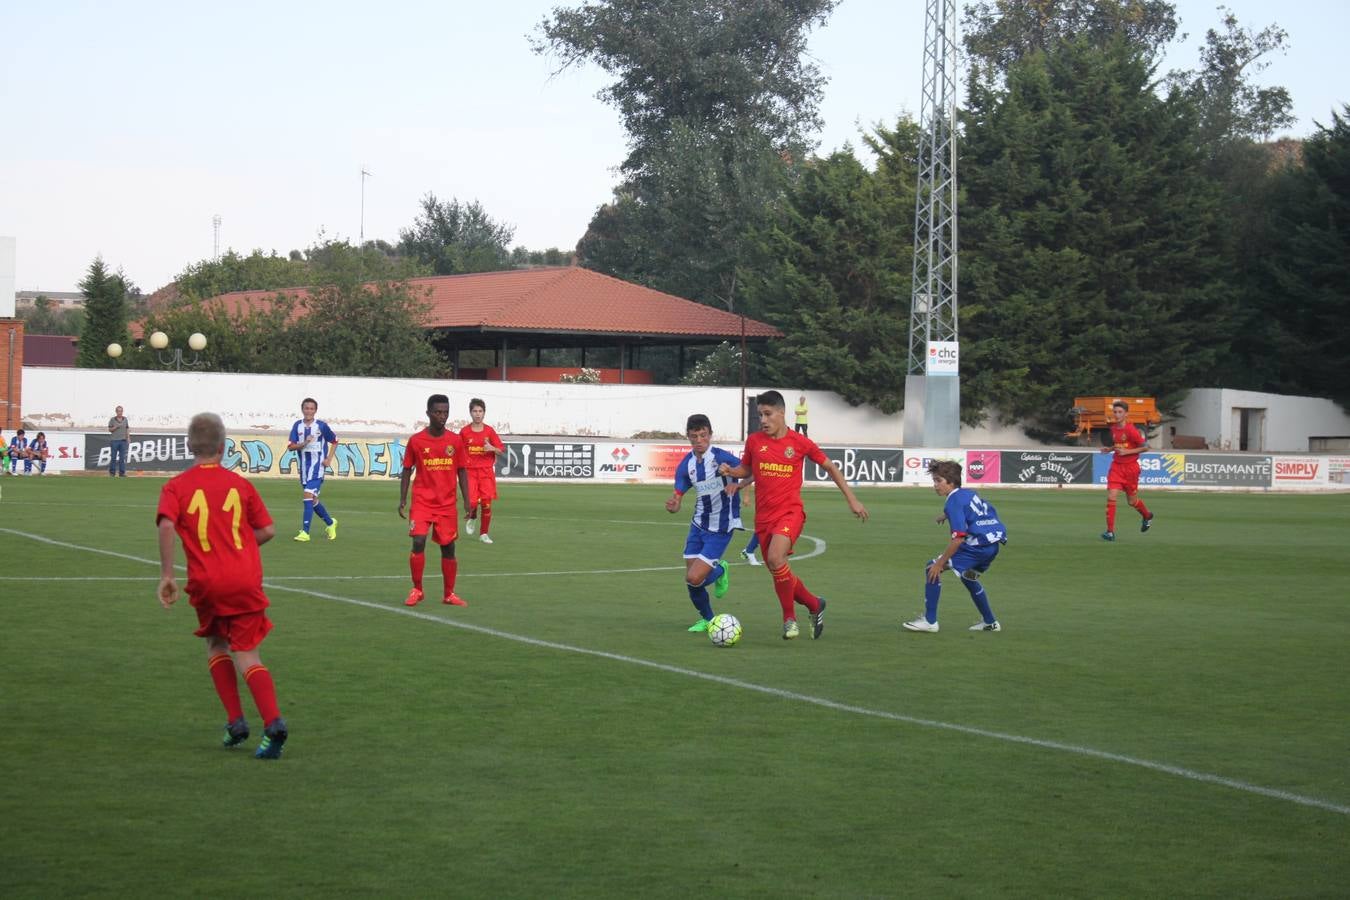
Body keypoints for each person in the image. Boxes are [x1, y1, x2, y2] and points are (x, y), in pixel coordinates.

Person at [155, 412, 288, 759]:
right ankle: (272, 723)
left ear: (189, 446)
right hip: (244, 579)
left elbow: (167, 525)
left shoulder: (177, 486)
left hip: (206, 583)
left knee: (217, 644)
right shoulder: (240, 484)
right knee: (248, 652)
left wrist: (167, 574)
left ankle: (236, 722)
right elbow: (269, 530)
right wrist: (240, 547)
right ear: (224, 446)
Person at [718, 390, 868, 640]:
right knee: (779, 570)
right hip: (763, 519)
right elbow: (747, 468)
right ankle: (814, 604)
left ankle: (789, 619)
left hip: (790, 513)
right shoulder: (755, 441)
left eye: (767, 414)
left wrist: (852, 499)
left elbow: (830, 467)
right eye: (760, 415)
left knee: (776, 558)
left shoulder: (800, 443)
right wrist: (732, 471)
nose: (763, 420)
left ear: (781, 413)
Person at [903, 459, 1006, 634]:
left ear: (951, 482)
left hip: (976, 549)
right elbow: (978, 509)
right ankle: (990, 622)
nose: (935, 486)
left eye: (938, 481)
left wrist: (940, 563)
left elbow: (958, 539)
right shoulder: (968, 493)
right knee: (968, 577)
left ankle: (930, 621)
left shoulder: (953, 502)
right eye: (934, 481)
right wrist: (946, 515)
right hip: (992, 546)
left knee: (931, 568)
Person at [665, 414, 739, 633]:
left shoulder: (721, 457)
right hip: (698, 525)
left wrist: (738, 483)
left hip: (721, 527)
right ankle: (708, 619)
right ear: (688, 437)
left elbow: (749, 471)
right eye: (694, 436)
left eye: (703, 435)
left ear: (710, 435)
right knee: (692, 581)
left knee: (694, 578)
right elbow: (678, 496)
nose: (699, 440)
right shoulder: (686, 465)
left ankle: (720, 570)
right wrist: (674, 505)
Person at [398, 394, 472, 607]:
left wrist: (468, 501)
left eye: (445, 412)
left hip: (447, 504)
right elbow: (406, 470)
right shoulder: (416, 441)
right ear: (428, 413)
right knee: (418, 540)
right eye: (438, 412)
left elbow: (462, 471)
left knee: (448, 547)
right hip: (422, 501)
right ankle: (417, 589)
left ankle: (449, 594)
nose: (442, 416)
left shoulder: (455, 441)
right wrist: (403, 499)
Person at [286, 397, 339, 542]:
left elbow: (335, 441)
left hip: (318, 467)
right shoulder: (297, 425)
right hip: (304, 468)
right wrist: (304, 443)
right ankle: (330, 523)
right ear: (302, 409)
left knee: (307, 494)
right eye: (306, 408)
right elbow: (291, 446)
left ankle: (305, 532)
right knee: (313, 499)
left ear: (315, 410)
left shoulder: (321, 426)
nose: (308, 411)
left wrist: (329, 459)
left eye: (311, 408)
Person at [1100, 399, 1154, 541]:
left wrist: (1127, 452)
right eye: (1115, 412)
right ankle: (1110, 532)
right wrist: (1110, 449)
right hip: (1117, 466)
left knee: (1132, 502)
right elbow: (1119, 444)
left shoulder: (1131, 430)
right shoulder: (1113, 429)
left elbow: (1146, 447)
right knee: (1111, 496)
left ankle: (1147, 515)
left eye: (1120, 412)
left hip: (1130, 469)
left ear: (1126, 414)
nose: (1117, 415)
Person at [459, 397, 505, 545]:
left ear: (484, 413)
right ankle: (472, 517)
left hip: (486, 472)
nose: (477, 414)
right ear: (470, 413)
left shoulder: (490, 431)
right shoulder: (464, 432)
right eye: (475, 411)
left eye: (480, 411)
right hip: (469, 472)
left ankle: (484, 533)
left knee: (486, 504)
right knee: (472, 502)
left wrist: (492, 448)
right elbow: (458, 451)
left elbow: (501, 450)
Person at [108, 405, 129, 477]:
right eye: (118, 411)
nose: (120, 412)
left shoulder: (125, 419)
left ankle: (122, 473)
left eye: (121, 411)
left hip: (123, 441)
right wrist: (115, 427)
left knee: (122, 458)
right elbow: (110, 430)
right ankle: (112, 472)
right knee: (113, 457)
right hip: (114, 441)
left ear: (122, 412)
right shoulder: (112, 420)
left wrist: (128, 438)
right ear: (116, 412)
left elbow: (127, 429)